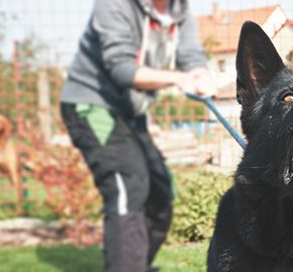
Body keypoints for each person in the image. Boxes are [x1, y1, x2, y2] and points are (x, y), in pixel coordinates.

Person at [59, 0, 215, 271]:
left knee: (160, 192)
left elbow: (191, 57)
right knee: (128, 184)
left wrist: (199, 75)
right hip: (92, 104)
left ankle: (135, 264)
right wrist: (177, 78)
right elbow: (121, 68)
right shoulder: (114, 5)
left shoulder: (181, 13)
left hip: (131, 112)